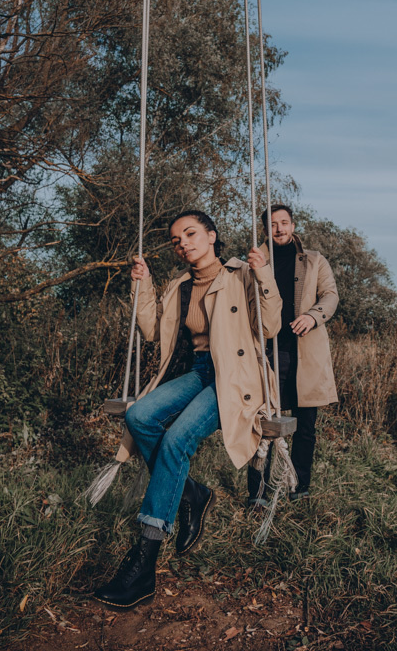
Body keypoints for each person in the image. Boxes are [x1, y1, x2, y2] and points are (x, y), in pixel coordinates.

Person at [93, 210, 281, 610]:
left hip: (234, 378)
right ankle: (192, 492)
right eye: (177, 240)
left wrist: (263, 274)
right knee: (139, 417)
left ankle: (143, 562)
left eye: (191, 233)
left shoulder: (240, 273)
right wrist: (142, 286)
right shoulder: (179, 285)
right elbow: (149, 330)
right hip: (199, 372)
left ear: (212, 235)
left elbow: (271, 326)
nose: (184, 243)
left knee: (177, 440)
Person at [247, 204, 338, 506]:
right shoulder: (254, 263)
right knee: (263, 425)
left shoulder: (314, 260)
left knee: (305, 426)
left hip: (305, 351)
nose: (280, 229)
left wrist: (313, 316)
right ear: (265, 229)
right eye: (273, 224)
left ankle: (299, 488)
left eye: (284, 222)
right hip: (267, 351)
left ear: (293, 224)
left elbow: (330, 295)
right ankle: (257, 492)